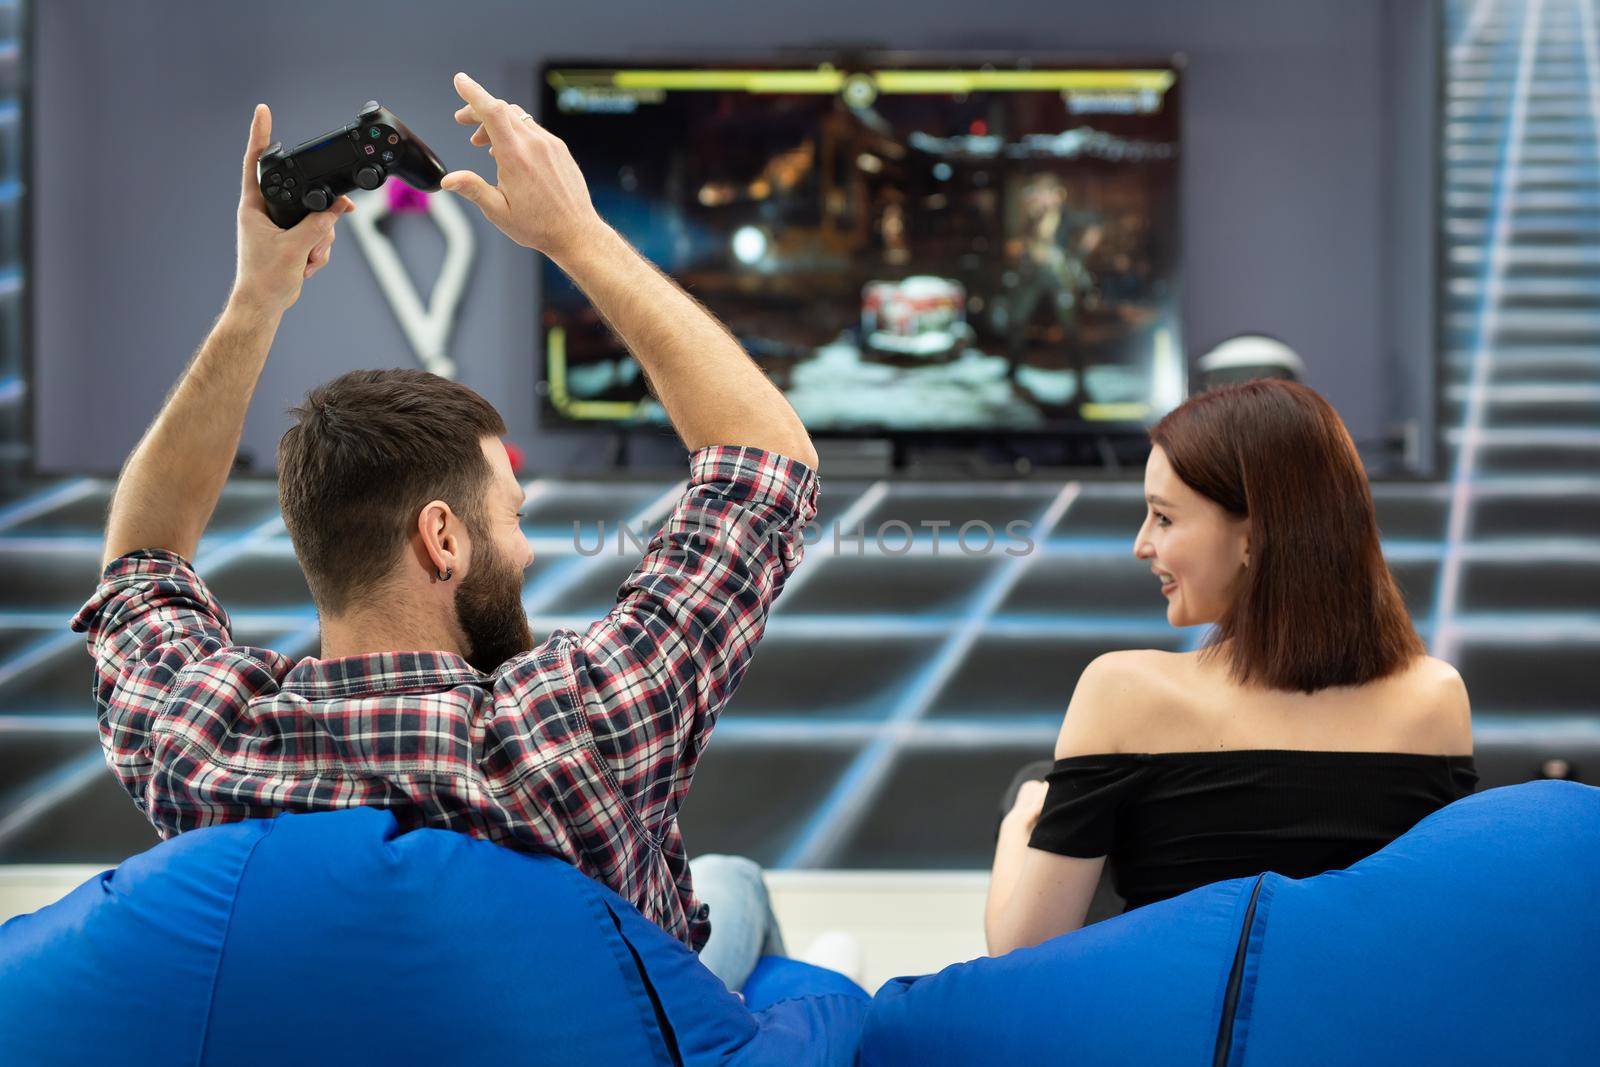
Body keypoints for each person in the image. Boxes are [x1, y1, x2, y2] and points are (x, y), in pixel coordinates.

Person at [71, 73, 819, 993]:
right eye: (510, 516)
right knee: (735, 886)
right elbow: (766, 462)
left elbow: (140, 558)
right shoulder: (583, 731)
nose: (530, 547)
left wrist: (255, 297)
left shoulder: (210, 743)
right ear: (443, 539)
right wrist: (574, 235)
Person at [984, 379, 1476, 956]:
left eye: (1163, 518)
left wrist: (1018, 825)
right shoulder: (1437, 695)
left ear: (1253, 538)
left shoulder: (1120, 689)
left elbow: (1021, 956)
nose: (1142, 545)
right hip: (1360, 1041)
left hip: (1178, 1037)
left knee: (1031, 788)